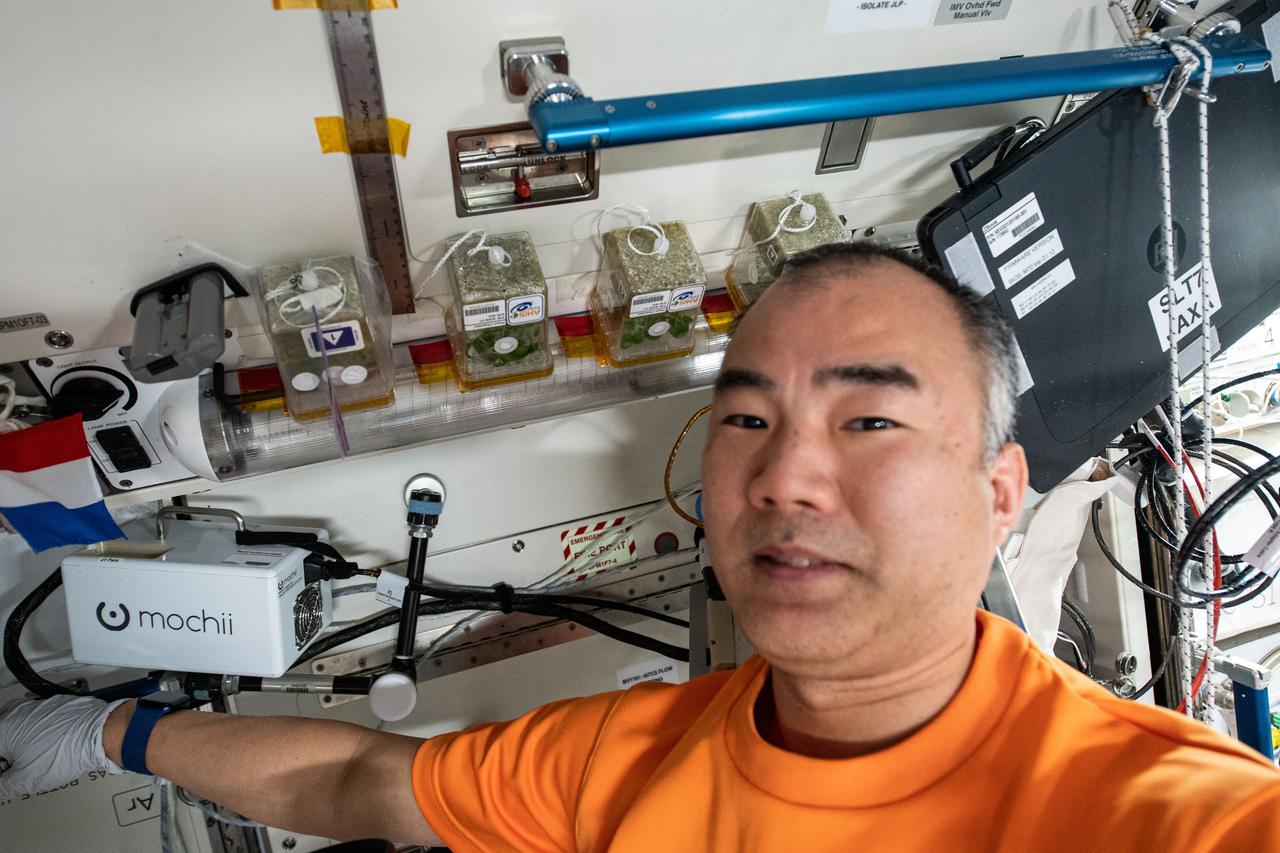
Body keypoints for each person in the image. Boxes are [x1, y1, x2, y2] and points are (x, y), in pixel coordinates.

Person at [3, 242, 1279, 851]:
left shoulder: (1156, 815)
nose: (784, 473)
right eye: (745, 418)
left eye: (870, 415)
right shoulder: (626, 762)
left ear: (1002, 491)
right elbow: (351, 781)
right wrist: (101, 735)